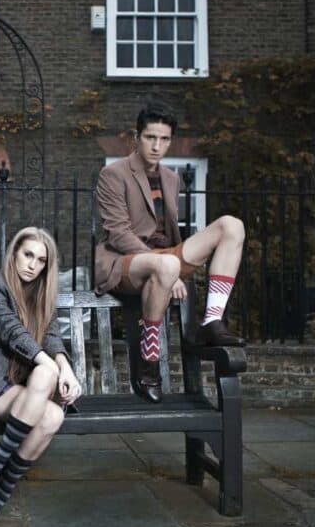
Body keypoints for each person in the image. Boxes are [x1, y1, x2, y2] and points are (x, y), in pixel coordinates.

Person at [95, 101, 246, 403]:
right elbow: (118, 233)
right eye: (150, 137)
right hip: (123, 261)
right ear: (136, 137)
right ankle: (148, 362)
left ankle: (212, 321)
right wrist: (166, 266)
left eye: (164, 139)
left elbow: (168, 231)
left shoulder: (171, 178)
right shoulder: (113, 174)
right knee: (166, 267)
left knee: (232, 225)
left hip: (166, 260)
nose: (157, 146)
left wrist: (172, 264)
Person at [0, 227, 82, 527]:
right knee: (47, 376)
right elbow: (12, 332)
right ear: (14, 253)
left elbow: (51, 336)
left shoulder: (42, 293)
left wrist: (66, 368)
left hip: (30, 388)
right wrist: (51, 367)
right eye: (28, 255)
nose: (32, 265)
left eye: (41, 260)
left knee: (53, 416)